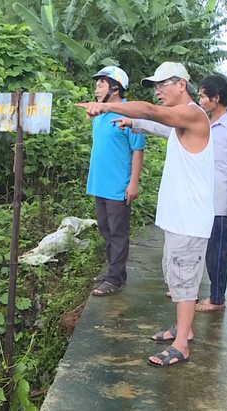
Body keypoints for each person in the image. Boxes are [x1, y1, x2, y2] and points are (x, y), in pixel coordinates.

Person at [77, 62, 213, 367]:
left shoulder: (192, 113)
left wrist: (108, 109)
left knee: (185, 276)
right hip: (180, 216)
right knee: (177, 274)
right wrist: (131, 123)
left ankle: (181, 344)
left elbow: (152, 113)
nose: (158, 91)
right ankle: (184, 328)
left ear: (181, 84)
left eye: (162, 85)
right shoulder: (182, 121)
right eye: (155, 87)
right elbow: (156, 124)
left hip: (189, 218)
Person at [121, 75, 227, 312]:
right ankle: (190, 294)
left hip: (219, 204)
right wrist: (134, 123)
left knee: (217, 255)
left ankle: (216, 297)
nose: (200, 100)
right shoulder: (198, 122)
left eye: (203, 95)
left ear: (217, 97)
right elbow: (163, 124)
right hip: (196, 203)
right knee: (194, 254)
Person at [85, 66, 145, 297]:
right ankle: (116, 271)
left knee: (118, 232)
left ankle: (114, 279)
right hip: (100, 184)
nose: (96, 88)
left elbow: (137, 150)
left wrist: (133, 183)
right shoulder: (99, 116)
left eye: (101, 84)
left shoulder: (129, 114)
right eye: (97, 84)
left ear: (115, 88)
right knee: (105, 229)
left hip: (118, 185)